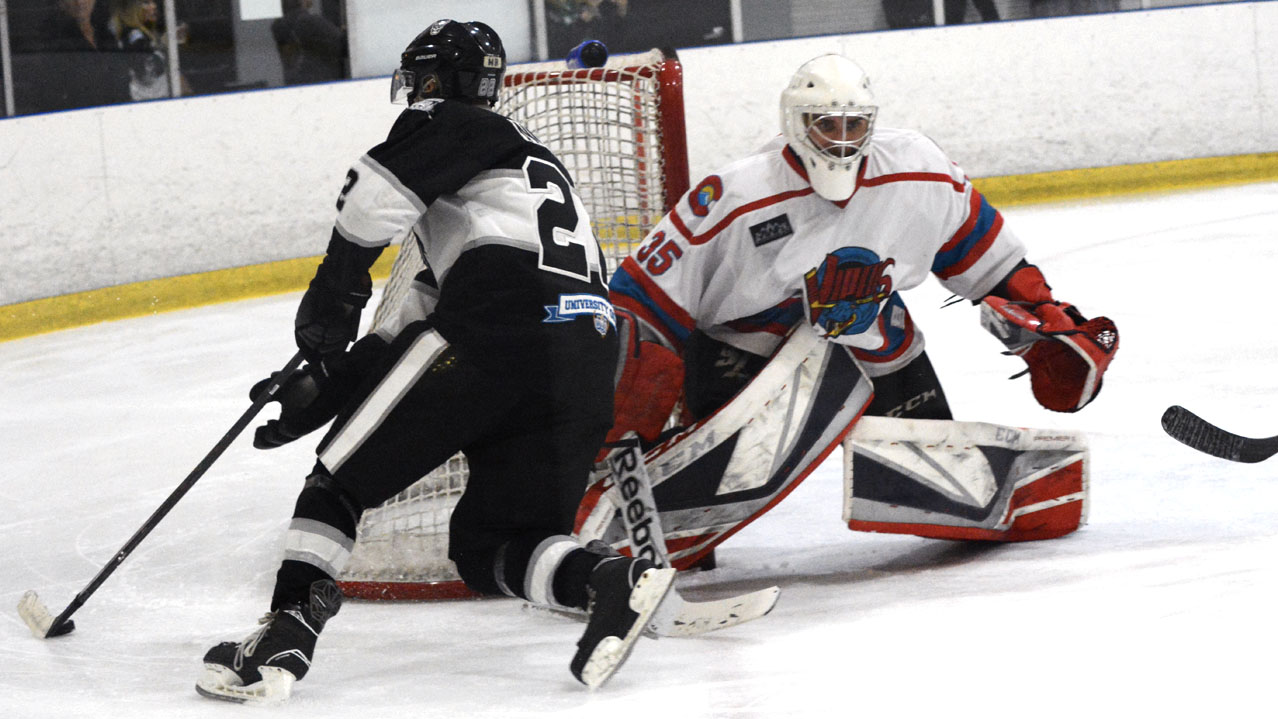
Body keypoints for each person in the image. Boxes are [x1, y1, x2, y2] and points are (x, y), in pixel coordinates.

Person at [195, 20, 683, 703]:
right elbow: (414, 317)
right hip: (582, 354)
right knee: (494, 546)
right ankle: (607, 580)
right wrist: (331, 383)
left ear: (428, 81)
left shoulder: (450, 124)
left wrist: (331, 305)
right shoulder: (514, 178)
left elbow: (369, 201)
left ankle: (282, 637)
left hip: (499, 328)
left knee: (337, 483)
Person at [604, 52, 1119, 464]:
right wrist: (626, 395)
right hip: (744, 351)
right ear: (795, 122)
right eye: (827, 125)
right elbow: (642, 298)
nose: (842, 140)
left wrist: (1048, 317)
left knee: (936, 471)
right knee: (705, 493)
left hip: (874, 340)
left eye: (854, 126)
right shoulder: (737, 194)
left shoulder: (920, 169)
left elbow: (990, 260)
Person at [108, 0, 189, 100]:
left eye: (153, 2)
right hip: (149, 102)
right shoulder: (131, 35)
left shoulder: (147, 31)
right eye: (146, 2)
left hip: (161, 98)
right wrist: (164, 45)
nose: (153, 6)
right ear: (131, 8)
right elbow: (146, 73)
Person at [271, 0, 347, 86]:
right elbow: (345, 46)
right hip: (321, 85)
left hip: (296, 85)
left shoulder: (279, 25)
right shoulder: (307, 22)